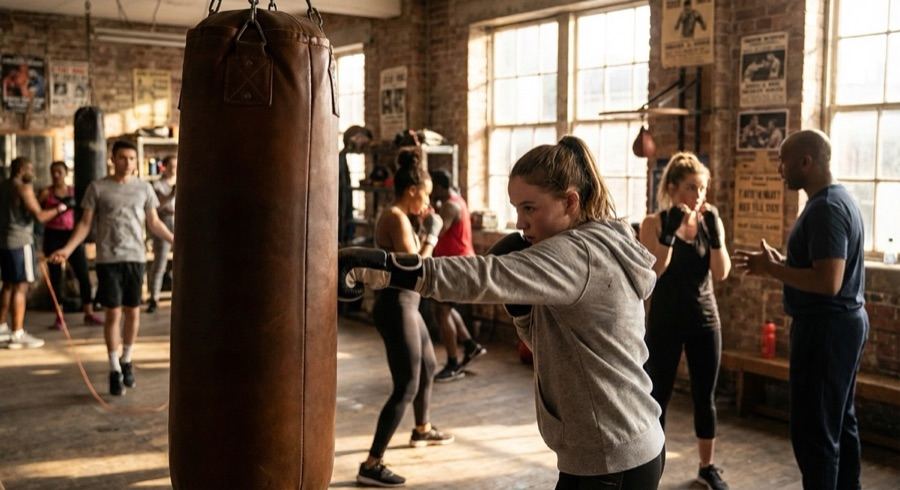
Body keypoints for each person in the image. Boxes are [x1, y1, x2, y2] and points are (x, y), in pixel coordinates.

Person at [340, 135, 665, 489]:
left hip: (610, 456)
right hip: (623, 442)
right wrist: (521, 310)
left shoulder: (578, 254)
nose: (520, 223)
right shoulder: (594, 242)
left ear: (570, 202)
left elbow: (481, 276)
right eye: (516, 209)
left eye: (530, 208)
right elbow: (554, 347)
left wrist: (384, 268)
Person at [733, 130, 867, 490]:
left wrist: (772, 269)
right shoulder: (834, 201)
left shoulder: (826, 208)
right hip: (839, 325)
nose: (779, 168)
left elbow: (828, 282)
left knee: (815, 434)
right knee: (839, 422)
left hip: (827, 329)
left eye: (784, 160)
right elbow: (819, 269)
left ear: (806, 162)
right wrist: (784, 263)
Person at [354, 148, 453, 488]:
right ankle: (372, 462)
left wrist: (425, 229)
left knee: (427, 366)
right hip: (397, 305)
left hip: (408, 305)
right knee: (406, 385)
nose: (426, 203)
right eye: (424, 196)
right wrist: (432, 236)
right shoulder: (395, 216)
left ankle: (422, 429)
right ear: (412, 190)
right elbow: (416, 266)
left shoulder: (401, 215)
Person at [50, 140, 174, 397]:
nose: (127, 163)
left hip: (136, 258)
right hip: (108, 260)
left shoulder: (144, 188)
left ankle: (127, 359)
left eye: (131, 158)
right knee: (113, 315)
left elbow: (153, 222)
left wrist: (177, 240)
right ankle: (114, 367)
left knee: (133, 313)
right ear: (112, 159)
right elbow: (84, 225)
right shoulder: (98, 188)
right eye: (122, 158)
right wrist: (67, 250)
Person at [639, 152, 731, 490]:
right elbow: (652, 273)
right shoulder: (653, 222)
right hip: (665, 319)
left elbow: (721, 273)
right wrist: (669, 235)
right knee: (658, 395)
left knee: (704, 397)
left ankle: (708, 468)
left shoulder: (708, 222)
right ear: (674, 188)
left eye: (703, 188)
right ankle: (650, 466)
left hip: (705, 319)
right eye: (692, 187)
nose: (699, 195)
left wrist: (718, 238)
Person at [0, 157, 68, 349]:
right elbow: (39, 215)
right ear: (21, 169)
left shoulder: (3, 186)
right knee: (21, 286)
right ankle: (17, 333)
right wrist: (61, 208)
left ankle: (1, 327)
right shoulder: (23, 187)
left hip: (4, 241)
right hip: (21, 241)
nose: (33, 172)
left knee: (7, 285)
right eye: (30, 168)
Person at [427, 169, 486, 382]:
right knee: (445, 307)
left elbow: (437, 232)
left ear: (440, 187)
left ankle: (453, 364)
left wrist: (428, 212)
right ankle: (470, 346)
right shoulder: (457, 200)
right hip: (455, 262)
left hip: (456, 264)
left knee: (442, 311)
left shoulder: (450, 206)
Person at [39, 161, 103, 329]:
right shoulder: (47, 193)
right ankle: (59, 317)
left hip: (72, 236)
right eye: (53, 171)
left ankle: (88, 312)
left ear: (66, 173)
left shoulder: (74, 191)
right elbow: (37, 215)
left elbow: (85, 214)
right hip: (53, 235)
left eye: (59, 171)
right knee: (56, 278)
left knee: (83, 274)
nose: (56, 175)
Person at [146, 155, 177, 313]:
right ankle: (154, 298)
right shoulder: (157, 184)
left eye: (176, 165)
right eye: (171, 165)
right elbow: (157, 205)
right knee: (160, 261)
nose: (174, 168)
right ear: (164, 167)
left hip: (178, 220)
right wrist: (172, 193)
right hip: (163, 220)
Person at [339, 126, 372, 245]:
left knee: (347, 201)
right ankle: (343, 237)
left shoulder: (359, 134)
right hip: (342, 180)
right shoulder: (358, 135)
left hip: (344, 177)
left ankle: (346, 236)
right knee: (343, 202)